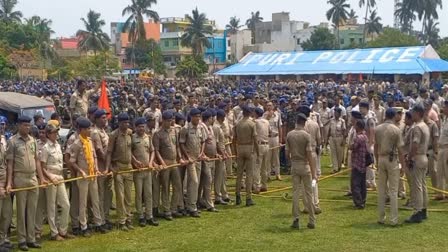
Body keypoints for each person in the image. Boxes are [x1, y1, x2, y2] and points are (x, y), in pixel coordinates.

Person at [6, 116, 46, 251]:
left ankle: (31, 238)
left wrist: (41, 177)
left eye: (28, 126)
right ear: (19, 126)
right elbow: (10, 164)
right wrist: (10, 182)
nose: (27, 128)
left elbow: (37, 161)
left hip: (32, 177)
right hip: (20, 177)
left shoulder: (33, 141)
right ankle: (22, 240)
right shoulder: (12, 141)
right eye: (24, 125)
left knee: (32, 210)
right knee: (21, 211)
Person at [68, 117, 106, 237]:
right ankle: (83, 226)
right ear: (81, 130)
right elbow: (72, 161)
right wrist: (81, 171)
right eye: (87, 129)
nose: (89, 130)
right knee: (83, 202)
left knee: (95, 199)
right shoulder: (76, 143)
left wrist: (96, 168)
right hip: (83, 176)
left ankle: (98, 222)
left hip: (92, 174)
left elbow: (94, 156)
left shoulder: (89, 141)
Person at [40, 124, 74, 241]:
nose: (56, 134)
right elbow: (42, 166)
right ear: (48, 134)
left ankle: (63, 230)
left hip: (59, 176)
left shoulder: (58, 146)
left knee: (65, 204)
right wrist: (50, 177)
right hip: (51, 177)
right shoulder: (45, 148)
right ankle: (54, 233)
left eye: (56, 132)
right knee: (51, 206)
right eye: (54, 132)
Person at [375, 108, 405, 226]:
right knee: (393, 190)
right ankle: (393, 219)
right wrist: (402, 165)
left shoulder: (378, 128)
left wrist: (377, 161)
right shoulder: (396, 130)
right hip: (392, 159)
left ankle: (381, 217)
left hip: (381, 158)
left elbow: (376, 146)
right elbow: (401, 150)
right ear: (393, 116)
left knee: (381, 190)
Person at [286, 113, 317, 229]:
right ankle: (312, 220)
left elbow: (286, 152)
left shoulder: (289, 134)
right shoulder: (306, 136)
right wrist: (314, 172)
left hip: (295, 164)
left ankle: (295, 219)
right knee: (309, 194)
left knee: (295, 193)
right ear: (304, 123)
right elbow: (309, 154)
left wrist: (291, 163)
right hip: (305, 165)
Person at [153, 111, 184, 220]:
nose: (170, 122)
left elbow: (177, 147)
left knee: (177, 186)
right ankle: (166, 210)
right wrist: (162, 162)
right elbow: (156, 150)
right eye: (168, 120)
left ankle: (174, 208)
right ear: (163, 121)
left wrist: (180, 157)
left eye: (171, 120)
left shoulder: (174, 131)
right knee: (165, 187)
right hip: (165, 162)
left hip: (174, 161)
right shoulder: (157, 133)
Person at [107, 113, 134, 231]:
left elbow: (131, 151)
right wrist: (110, 168)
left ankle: (128, 218)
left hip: (128, 167)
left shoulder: (130, 133)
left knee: (128, 196)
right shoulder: (113, 135)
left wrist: (135, 161)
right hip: (118, 168)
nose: (126, 124)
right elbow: (109, 153)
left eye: (127, 122)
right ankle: (121, 220)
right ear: (119, 123)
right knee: (120, 196)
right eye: (124, 122)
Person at [132, 117, 159, 227]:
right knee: (139, 194)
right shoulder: (132, 138)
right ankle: (141, 215)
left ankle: (149, 215)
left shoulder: (148, 137)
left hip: (148, 170)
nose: (141, 129)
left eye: (143, 126)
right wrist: (135, 162)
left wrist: (151, 162)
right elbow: (129, 153)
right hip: (138, 171)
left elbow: (152, 151)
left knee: (149, 193)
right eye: (139, 127)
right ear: (136, 127)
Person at [405, 104, 430, 223]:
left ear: (418, 113)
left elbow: (415, 144)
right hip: (424, 157)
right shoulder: (424, 126)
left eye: (413, 112)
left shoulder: (417, 127)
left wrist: (410, 157)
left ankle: (417, 211)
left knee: (417, 186)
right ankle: (424, 209)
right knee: (423, 185)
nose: (412, 114)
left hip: (418, 157)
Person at [179, 108, 205, 217]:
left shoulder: (200, 128)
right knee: (193, 181)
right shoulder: (185, 129)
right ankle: (192, 206)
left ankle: (191, 205)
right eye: (196, 116)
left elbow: (203, 141)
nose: (198, 118)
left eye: (199, 116)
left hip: (198, 157)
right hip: (190, 159)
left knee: (195, 182)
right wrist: (187, 156)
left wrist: (202, 152)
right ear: (192, 117)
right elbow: (181, 143)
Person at [90, 109, 113, 230]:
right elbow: (100, 152)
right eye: (103, 118)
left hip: (107, 168)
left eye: (106, 117)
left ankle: (106, 217)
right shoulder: (95, 132)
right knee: (100, 195)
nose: (105, 119)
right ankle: (100, 220)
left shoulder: (104, 131)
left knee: (108, 194)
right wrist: (110, 165)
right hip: (101, 167)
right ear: (97, 119)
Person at [234, 106, 259, 206]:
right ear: (249, 113)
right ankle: (248, 198)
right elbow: (255, 139)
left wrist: (235, 151)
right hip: (249, 147)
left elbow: (233, 139)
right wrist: (257, 152)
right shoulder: (252, 124)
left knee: (239, 174)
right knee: (249, 174)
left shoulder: (238, 124)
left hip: (240, 147)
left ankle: (237, 196)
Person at [350, 120, 368, 209]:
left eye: (356, 126)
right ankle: (363, 201)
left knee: (355, 184)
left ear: (358, 127)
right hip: (363, 163)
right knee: (362, 184)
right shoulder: (365, 136)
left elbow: (353, 147)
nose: (354, 127)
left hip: (357, 163)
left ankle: (358, 202)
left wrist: (350, 145)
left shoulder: (359, 137)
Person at [214, 109, 231, 203]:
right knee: (219, 176)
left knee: (223, 175)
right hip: (219, 155)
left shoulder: (220, 126)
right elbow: (216, 143)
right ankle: (218, 196)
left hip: (222, 152)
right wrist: (222, 153)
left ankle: (224, 194)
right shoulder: (216, 127)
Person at [359, 100, 377, 189]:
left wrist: (370, 144)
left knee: (370, 164)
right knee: (365, 164)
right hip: (364, 143)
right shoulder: (362, 117)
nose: (360, 110)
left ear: (366, 108)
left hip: (370, 143)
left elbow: (372, 131)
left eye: (361, 108)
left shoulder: (370, 118)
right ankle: (367, 182)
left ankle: (372, 182)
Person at [0, 121, 12, 250]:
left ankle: (2, 239)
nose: (2, 127)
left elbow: (7, 163)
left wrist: (8, 183)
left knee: (6, 214)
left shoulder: (3, 140)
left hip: (5, 183)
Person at [253, 108, 270, 193]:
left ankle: (257, 186)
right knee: (264, 167)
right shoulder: (267, 122)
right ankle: (264, 185)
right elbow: (270, 132)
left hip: (259, 145)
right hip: (266, 144)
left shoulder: (255, 122)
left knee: (257, 166)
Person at [264, 102, 283, 181]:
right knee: (268, 157)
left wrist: (281, 139)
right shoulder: (264, 115)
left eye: (270, 105)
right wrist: (268, 116)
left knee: (276, 156)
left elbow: (279, 126)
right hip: (268, 137)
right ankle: (268, 174)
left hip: (275, 137)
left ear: (273, 106)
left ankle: (277, 173)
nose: (269, 107)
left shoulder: (277, 114)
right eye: (267, 105)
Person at [327, 107, 346, 173]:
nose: (335, 114)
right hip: (332, 138)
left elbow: (344, 131)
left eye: (337, 113)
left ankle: (339, 167)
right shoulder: (331, 120)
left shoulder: (342, 121)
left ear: (339, 114)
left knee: (339, 154)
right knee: (333, 153)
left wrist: (343, 140)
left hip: (339, 138)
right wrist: (327, 139)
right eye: (335, 112)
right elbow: (329, 130)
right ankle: (335, 168)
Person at [436, 100, 448, 200]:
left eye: (445, 107)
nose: (443, 109)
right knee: (440, 172)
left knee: (447, 171)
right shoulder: (444, 119)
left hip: (447, 148)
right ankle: (441, 193)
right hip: (441, 148)